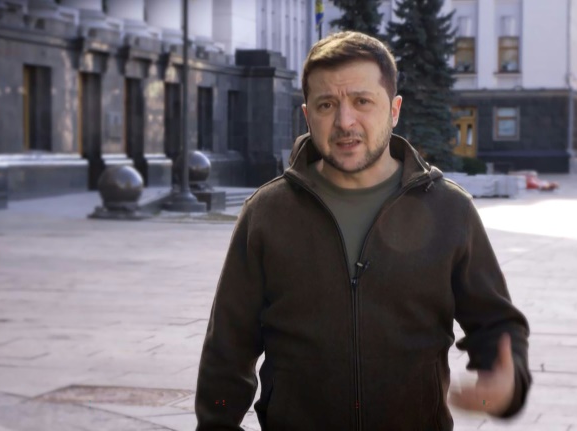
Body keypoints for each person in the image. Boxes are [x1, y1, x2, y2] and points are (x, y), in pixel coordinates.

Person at [195, 31, 531, 430]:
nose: (344, 121)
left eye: (362, 101)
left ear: (394, 110)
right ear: (307, 114)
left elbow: (496, 324)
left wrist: (506, 383)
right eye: (326, 105)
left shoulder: (449, 209)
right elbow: (227, 350)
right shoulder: (267, 213)